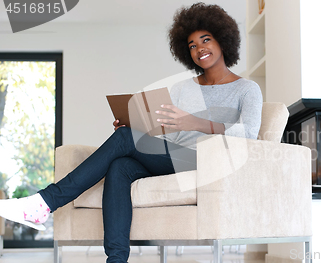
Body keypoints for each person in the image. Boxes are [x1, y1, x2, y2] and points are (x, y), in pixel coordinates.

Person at [0, 3, 263, 263]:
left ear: (223, 39)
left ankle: (45, 202)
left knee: (126, 141)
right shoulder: (184, 87)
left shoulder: (247, 89)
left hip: (207, 161)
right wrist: (137, 126)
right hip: (174, 157)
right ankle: (116, 260)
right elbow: (169, 131)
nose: (199, 49)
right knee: (120, 165)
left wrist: (195, 122)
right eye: (192, 45)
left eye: (205, 40)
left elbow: (250, 134)